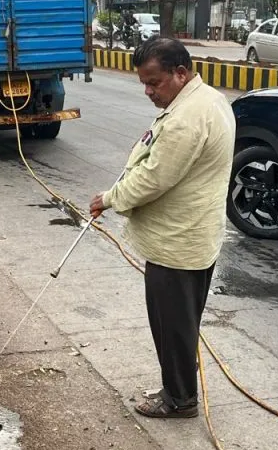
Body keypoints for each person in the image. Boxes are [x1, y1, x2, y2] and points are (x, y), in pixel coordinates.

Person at [89, 38, 236, 419]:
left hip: (178, 243)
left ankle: (180, 398)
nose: (149, 92)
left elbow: (154, 178)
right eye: (144, 84)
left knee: (172, 325)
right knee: (182, 322)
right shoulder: (207, 100)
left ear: (180, 73)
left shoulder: (187, 118)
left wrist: (109, 198)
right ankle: (180, 381)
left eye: (154, 83)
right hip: (194, 237)